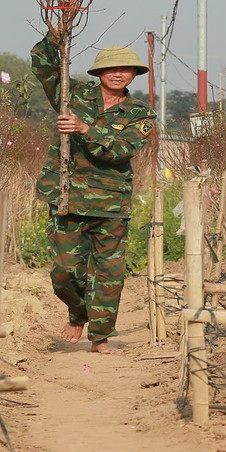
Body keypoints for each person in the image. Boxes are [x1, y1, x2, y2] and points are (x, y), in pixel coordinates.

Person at [32, 35, 156, 354]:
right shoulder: (73, 95)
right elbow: (44, 67)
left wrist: (85, 129)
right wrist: (55, 32)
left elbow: (122, 150)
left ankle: (100, 338)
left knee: (109, 274)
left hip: (111, 203)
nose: (118, 74)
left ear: (134, 74)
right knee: (64, 271)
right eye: (111, 68)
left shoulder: (140, 113)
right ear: (98, 72)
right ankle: (77, 313)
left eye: (126, 69)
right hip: (67, 197)